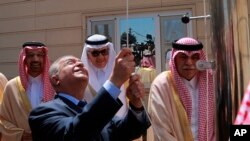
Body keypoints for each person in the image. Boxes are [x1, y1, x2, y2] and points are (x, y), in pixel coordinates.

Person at [29, 48, 151, 141]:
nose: (80, 64)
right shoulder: (42, 113)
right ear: (56, 80)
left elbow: (129, 131)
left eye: (81, 63)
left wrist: (136, 105)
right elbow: (76, 133)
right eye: (70, 62)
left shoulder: (97, 111)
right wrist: (114, 82)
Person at [148, 37, 215, 141]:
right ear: (174, 59)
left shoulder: (211, 82)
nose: (189, 62)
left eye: (194, 57)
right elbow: (162, 132)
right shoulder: (162, 85)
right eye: (183, 57)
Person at [0, 41, 55, 141]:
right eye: (30, 55)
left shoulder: (55, 85)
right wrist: (21, 135)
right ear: (24, 59)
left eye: (39, 55)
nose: (35, 59)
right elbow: (2, 120)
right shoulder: (11, 86)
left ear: (45, 58)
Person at [81, 34, 128, 118]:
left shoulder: (122, 73)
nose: (100, 57)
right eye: (95, 53)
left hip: (121, 126)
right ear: (88, 55)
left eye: (104, 52)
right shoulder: (81, 77)